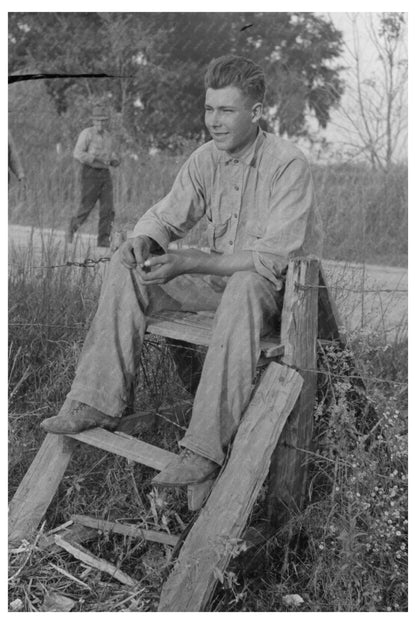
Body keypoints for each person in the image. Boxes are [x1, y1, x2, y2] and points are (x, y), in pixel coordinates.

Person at [41, 55, 323, 488]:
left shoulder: (288, 164)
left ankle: (203, 449)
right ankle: (95, 401)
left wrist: (189, 260)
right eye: (209, 109)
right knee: (127, 263)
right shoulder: (205, 158)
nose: (214, 121)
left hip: (273, 297)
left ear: (256, 112)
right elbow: (167, 215)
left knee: (245, 285)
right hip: (216, 286)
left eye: (226, 110)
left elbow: (272, 260)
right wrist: (145, 240)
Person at [69, 104, 120, 248]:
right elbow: (77, 153)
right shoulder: (87, 134)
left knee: (108, 208)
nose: (100, 123)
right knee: (87, 207)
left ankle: (103, 239)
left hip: (105, 174)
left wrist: (115, 160)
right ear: (93, 121)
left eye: (103, 120)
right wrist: (95, 159)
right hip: (90, 173)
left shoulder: (109, 137)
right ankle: (71, 229)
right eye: (98, 120)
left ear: (106, 121)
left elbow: (112, 155)